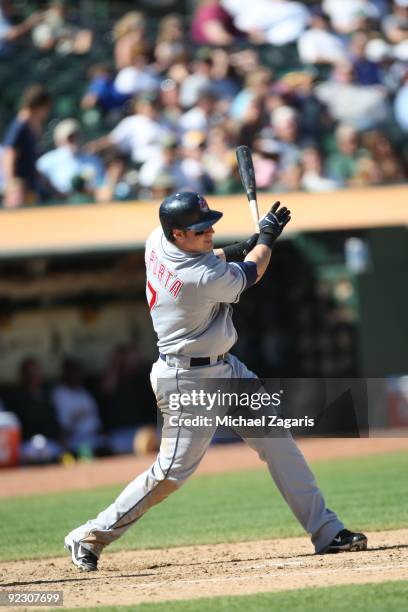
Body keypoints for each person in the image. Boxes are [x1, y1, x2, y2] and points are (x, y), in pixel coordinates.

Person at [64, 191, 367, 571]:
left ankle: (327, 531)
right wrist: (266, 239)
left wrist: (242, 244)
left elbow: (214, 257)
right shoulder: (198, 277)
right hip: (188, 381)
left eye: (210, 225)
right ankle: (89, 535)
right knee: (171, 474)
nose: (209, 232)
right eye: (199, 229)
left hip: (226, 369)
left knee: (278, 444)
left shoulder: (156, 241)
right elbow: (252, 272)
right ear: (177, 234)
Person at [2, 84, 52, 207]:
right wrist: (12, 184)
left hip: (29, 186)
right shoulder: (20, 126)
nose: (47, 112)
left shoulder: (30, 127)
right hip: (20, 189)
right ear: (38, 106)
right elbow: (9, 153)